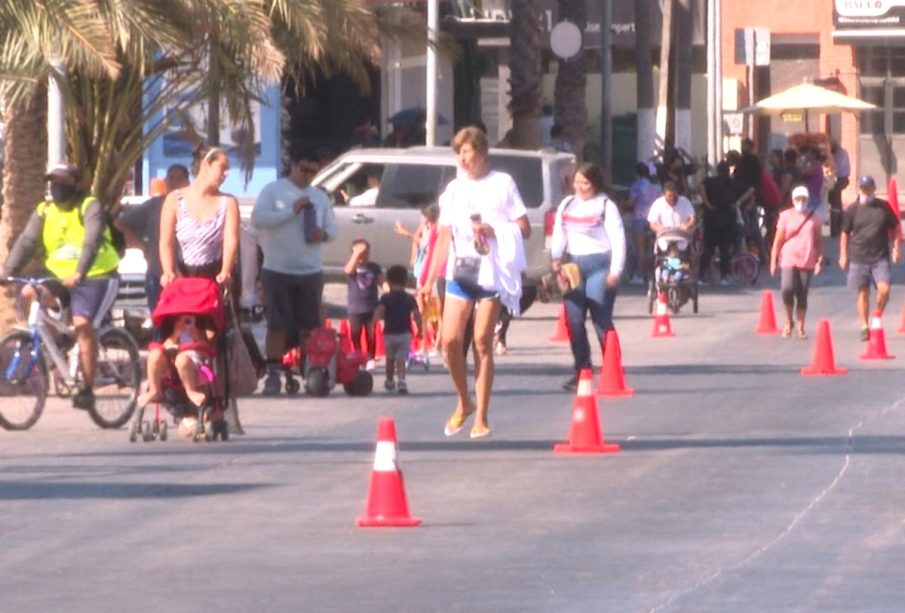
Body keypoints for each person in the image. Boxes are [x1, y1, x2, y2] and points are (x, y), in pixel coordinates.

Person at [421, 126, 530, 439]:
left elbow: (524, 227)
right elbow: (442, 237)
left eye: (467, 151)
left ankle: (481, 416)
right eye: (459, 152)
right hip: (460, 271)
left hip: (492, 272)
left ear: (482, 152)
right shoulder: (453, 190)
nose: (463, 158)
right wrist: (428, 280)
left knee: (482, 340)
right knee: (450, 342)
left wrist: (495, 230)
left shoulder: (502, 184)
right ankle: (463, 402)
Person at [1, 163, 121, 411]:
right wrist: (7, 270)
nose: (57, 188)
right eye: (53, 183)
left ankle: (86, 390)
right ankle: (57, 347)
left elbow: (92, 240)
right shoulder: (45, 210)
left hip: (97, 276)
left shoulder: (90, 206)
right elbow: (26, 241)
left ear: (75, 184)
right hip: (60, 276)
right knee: (28, 292)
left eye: (63, 183)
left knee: (83, 326)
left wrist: (80, 271)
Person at [252, 148, 336, 395]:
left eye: (313, 170)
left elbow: (333, 228)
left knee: (309, 325)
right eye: (304, 169)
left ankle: (310, 369)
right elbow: (258, 220)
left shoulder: (320, 197)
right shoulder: (274, 190)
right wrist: (292, 211)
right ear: (294, 166)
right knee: (277, 324)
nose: (308, 175)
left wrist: (325, 234)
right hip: (277, 268)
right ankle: (274, 374)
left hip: (309, 270)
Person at [550, 163, 626, 391]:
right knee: (573, 319)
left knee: (600, 317)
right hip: (573, 265)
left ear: (595, 183)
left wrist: (616, 271)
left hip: (600, 265)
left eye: (585, 183)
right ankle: (582, 369)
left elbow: (618, 238)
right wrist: (555, 257)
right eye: (577, 182)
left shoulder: (606, 205)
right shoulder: (567, 203)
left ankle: (612, 368)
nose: (580, 187)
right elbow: (558, 233)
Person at [115, 164, 190, 312]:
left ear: (187, 182)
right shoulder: (154, 206)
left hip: (186, 276)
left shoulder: (192, 206)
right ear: (166, 181)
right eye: (171, 178)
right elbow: (120, 223)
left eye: (179, 178)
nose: (175, 182)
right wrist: (143, 247)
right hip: (157, 274)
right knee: (159, 321)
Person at [839, 175, 901, 341]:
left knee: (884, 289)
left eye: (869, 188)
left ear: (874, 188)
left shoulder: (883, 207)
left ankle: (877, 314)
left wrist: (896, 248)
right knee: (863, 292)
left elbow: (895, 227)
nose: (866, 191)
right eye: (863, 189)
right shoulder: (852, 209)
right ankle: (865, 326)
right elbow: (845, 233)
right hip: (859, 257)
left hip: (879, 256)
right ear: (859, 189)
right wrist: (843, 255)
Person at [770, 185, 824, 339]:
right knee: (787, 289)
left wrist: (819, 260)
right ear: (793, 200)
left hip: (806, 260)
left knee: (802, 293)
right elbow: (778, 241)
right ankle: (789, 321)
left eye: (803, 199)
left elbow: (819, 241)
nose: (801, 202)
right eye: (798, 199)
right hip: (788, 258)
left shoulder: (813, 218)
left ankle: (801, 327)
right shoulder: (785, 216)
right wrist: (773, 261)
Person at [375, 265, 422, 394]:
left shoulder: (386, 298)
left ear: (388, 281)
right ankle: (401, 381)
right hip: (405, 333)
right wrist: (420, 329)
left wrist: (373, 324)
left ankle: (390, 381)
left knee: (390, 359)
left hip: (389, 333)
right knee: (401, 359)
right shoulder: (409, 298)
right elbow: (417, 314)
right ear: (406, 281)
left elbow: (379, 312)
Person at [344, 238, 382, 371]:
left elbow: (382, 281)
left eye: (367, 252)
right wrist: (356, 254)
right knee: (355, 333)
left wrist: (389, 290)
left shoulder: (374, 267)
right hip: (355, 307)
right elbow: (348, 270)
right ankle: (358, 356)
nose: (365, 255)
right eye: (362, 252)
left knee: (371, 333)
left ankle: (370, 357)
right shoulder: (353, 266)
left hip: (371, 306)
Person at [698, 161, 738, 285]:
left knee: (708, 249)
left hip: (712, 217)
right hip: (727, 218)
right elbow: (750, 189)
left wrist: (707, 203)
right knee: (724, 249)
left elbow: (701, 187)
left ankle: (700, 276)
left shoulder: (710, 181)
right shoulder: (732, 182)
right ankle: (724, 277)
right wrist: (738, 203)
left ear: (717, 170)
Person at [627, 161, 661, 284]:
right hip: (654, 220)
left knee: (640, 250)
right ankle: (652, 273)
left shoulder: (636, 185)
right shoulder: (657, 187)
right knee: (652, 249)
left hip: (639, 218)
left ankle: (640, 275)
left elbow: (630, 203)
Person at [647, 181, 696, 252]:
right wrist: (658, 228)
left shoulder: (684, 201)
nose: (672, 198)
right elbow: (652, 222)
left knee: (683, 247)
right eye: (669, 196)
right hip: (664, 234)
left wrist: (687, 225)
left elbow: (693, 218)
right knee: (663, 247)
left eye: (674, 196)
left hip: (681, 234)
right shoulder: (658, 203)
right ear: (664, 195)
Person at [829, 138, 851, 237]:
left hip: (840, 178)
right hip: (840, 178)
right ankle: (840, 226)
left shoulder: (839, 154)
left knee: (835, 201)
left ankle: (836, 227)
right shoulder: (839, 152)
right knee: (836, 202)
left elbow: (835, 169)